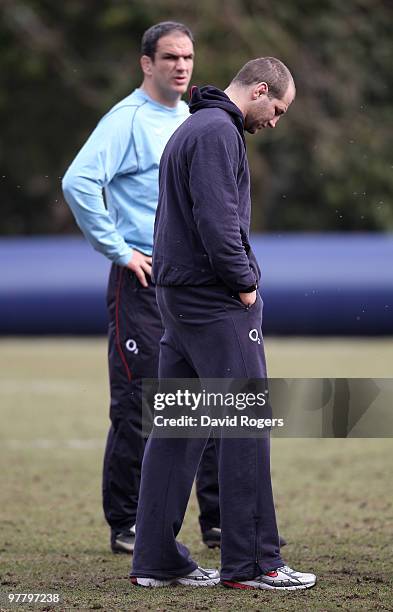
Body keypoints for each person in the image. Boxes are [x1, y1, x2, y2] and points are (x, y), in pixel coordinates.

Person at [130, 57, 317, 590]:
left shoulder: (192, 127)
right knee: (246, 425)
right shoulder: (218, 133)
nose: (275, 121)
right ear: (260, 90)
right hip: (214, 303)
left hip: (176, 298)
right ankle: (254, 563)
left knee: (176, 430)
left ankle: (157, 560)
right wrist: (246, 283)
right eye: (277, 109)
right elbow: (217, 221)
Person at [62, 21, 220, 554]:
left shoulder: (192, 117)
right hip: (143, 281)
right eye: (170, 57)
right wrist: (120, 251)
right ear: (146, 64)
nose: (181, 66)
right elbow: (78, 181)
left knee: (212, 396)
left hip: (192, 281)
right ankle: (126, 522)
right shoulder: (127, 120)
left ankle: (217, 520)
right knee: (142, 404)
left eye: (189, 58)